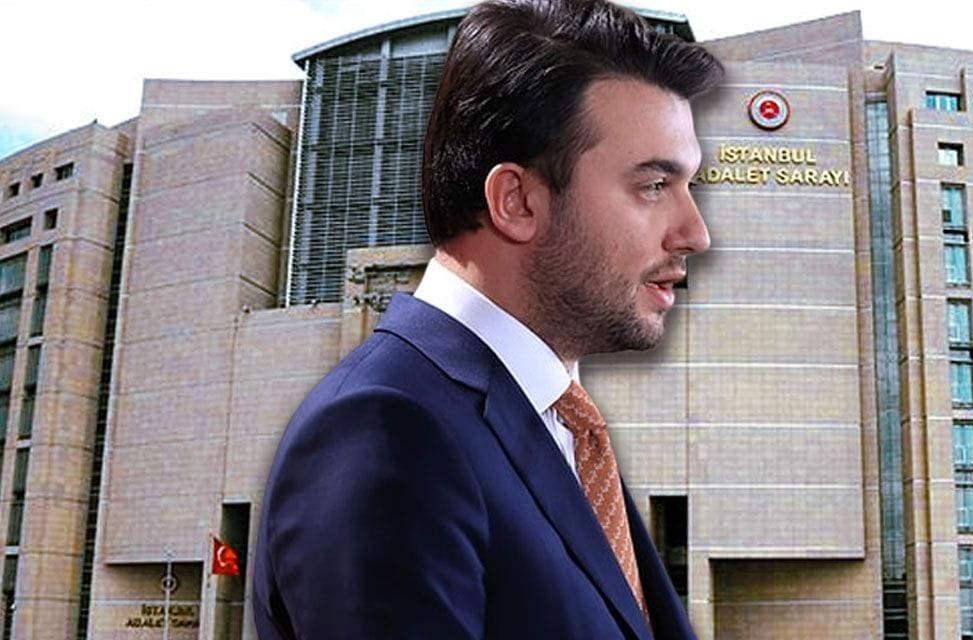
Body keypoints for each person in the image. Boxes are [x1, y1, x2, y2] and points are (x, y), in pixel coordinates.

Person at [250, 0, 723, 637]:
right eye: (654, 186)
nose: (696, 233)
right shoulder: (384, 431)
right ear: (516, 202)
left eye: (689, 186)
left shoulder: (561, 428)